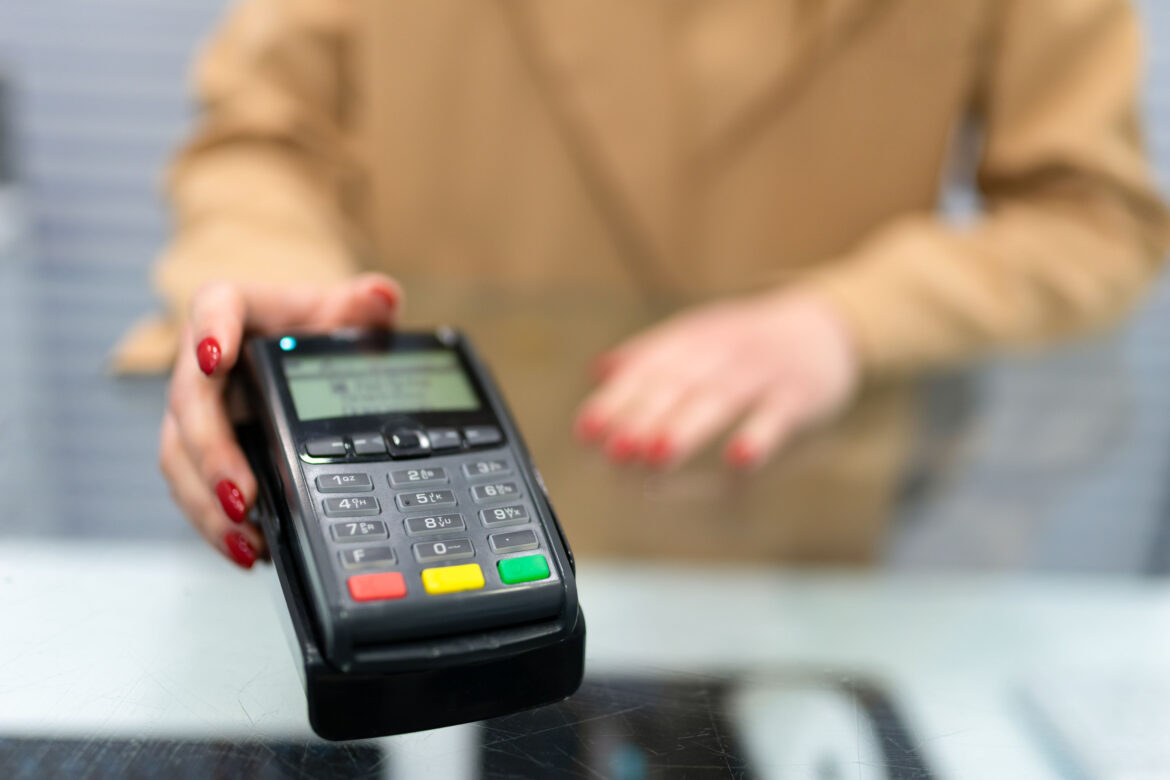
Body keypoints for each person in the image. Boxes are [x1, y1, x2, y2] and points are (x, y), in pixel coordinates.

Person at [116, 0, 1170, 569]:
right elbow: (263, 138)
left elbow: (1092, 213)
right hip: (419, 495)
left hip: (785, 511)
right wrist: (289, 306)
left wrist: (848, 318)